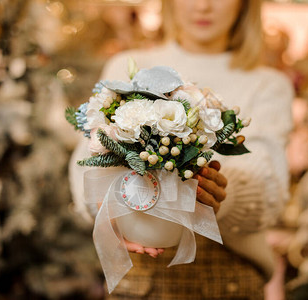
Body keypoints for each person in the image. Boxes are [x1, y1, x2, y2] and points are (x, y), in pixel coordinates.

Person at [69, 0, 293, 299]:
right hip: (140, 276)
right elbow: (87, 158)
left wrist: (222, 194)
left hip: (230, 276)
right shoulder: (127, 66)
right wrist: (105, 210)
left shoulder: (268, 84)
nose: (203, 6)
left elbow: (271, 189)